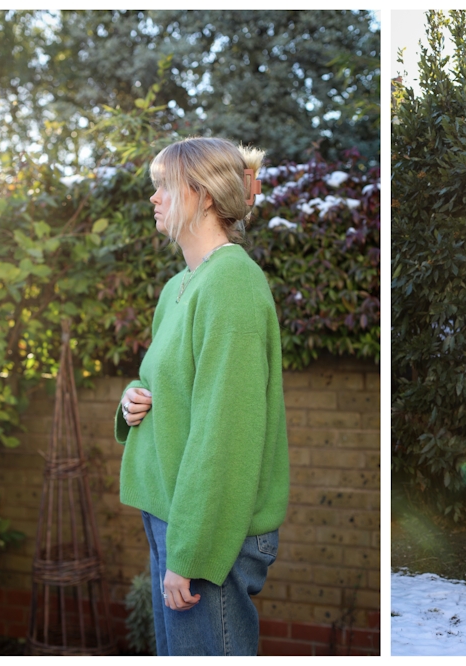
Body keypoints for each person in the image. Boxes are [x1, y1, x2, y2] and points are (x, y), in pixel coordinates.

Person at [113, 137, 289, 656]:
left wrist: (189, 553)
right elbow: (154, 379)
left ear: (204, 196)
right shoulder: (180, 287)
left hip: (210, 530)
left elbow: (225, 434)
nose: (154, 198)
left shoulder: (232, 282)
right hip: (172, 513)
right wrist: (132, 400)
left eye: (163, 186)